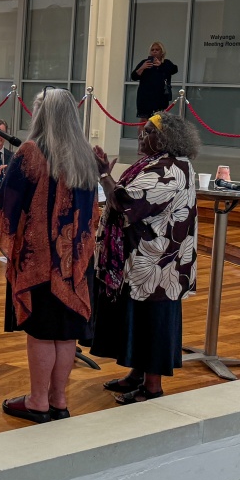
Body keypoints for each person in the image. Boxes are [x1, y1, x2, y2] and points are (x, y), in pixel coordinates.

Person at [0, 89, 99, 424]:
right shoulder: (86, 156)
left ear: (43, 116)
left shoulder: (31, 152)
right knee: (65, 331)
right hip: (75, 262)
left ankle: (37, 401)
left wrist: (2, 182)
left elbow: (6, 205)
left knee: (40, 330)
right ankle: (59, 399)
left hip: (40, 260)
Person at [91, 110, 200, 405]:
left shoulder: (170, 169)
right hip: (147, 259)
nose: (142, 136)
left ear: (166, 138)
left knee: (153, 322)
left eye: (149, 132)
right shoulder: (156, 164)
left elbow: (128, 203)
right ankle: (137, 375)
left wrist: (103, 174)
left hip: (160, 264)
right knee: (138, 318)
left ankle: (152, 387)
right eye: (142, 131)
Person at [131, 41, 179, 119]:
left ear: (162, 52)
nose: (154, 51)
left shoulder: (166, 63)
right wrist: (142, 67)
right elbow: (134, 77)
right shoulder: (145, 62)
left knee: (159, 123)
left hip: (160, 98)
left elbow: (174, 70)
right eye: (152, 50)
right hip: (145, 98)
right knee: (144, 123)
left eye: (157, 50)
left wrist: (161, 65)